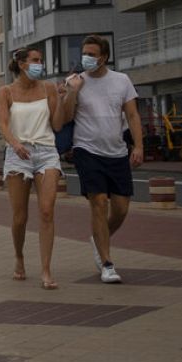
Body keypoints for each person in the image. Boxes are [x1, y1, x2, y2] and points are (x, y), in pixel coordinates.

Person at [55, 34, 143, 284]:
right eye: (84, 53)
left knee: (121, 208)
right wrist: (72, 92)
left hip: (117, 151)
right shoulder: (76, 81)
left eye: (92, 54)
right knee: (98, 202)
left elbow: (133, 115)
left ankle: (98, 237)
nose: (86, 58)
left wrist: (138, 146)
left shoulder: (121, 80)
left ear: (104, 57)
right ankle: (107, 264)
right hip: (87, 149)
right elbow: (67, 116)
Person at [0, 46, 62, 290]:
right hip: (17, 153)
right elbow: (3, 124)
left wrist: (65, 98)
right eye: (35, 60)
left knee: (46, 211)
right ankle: (19, 256)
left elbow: (57, 124)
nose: (40, 64)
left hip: (46, 152)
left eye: (41, 60)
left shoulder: (49, 88)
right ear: (23, 64)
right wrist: (15, 144)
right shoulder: (6, 92)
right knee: (20, 217)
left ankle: (46, 269)